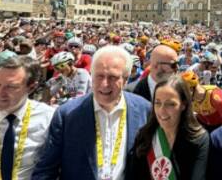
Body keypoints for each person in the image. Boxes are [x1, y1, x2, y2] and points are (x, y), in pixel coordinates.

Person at [32, 45, 151, 180]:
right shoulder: (66, 115)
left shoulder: (145, 110)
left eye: (112, 77)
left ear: (125, 79)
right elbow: (46, 170)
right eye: (99, 76)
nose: (104, 84)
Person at [128, 74, 208, 179]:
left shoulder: (198, 139)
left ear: (183, 104)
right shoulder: (145, 135)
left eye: (170, 104)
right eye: (157, 103)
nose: (162, 110)